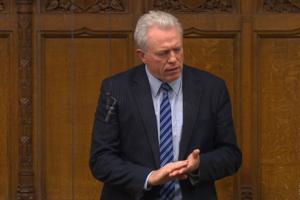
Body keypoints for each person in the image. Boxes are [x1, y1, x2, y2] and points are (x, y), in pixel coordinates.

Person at [89, 10, 242, 200]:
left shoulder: (212, 88)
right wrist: (149, 177)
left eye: (177, 49)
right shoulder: (116, 89)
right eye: (163, 53)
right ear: (142, 55)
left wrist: (197, 166)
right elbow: (101, 160)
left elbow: (231, 155)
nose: (173, 59)